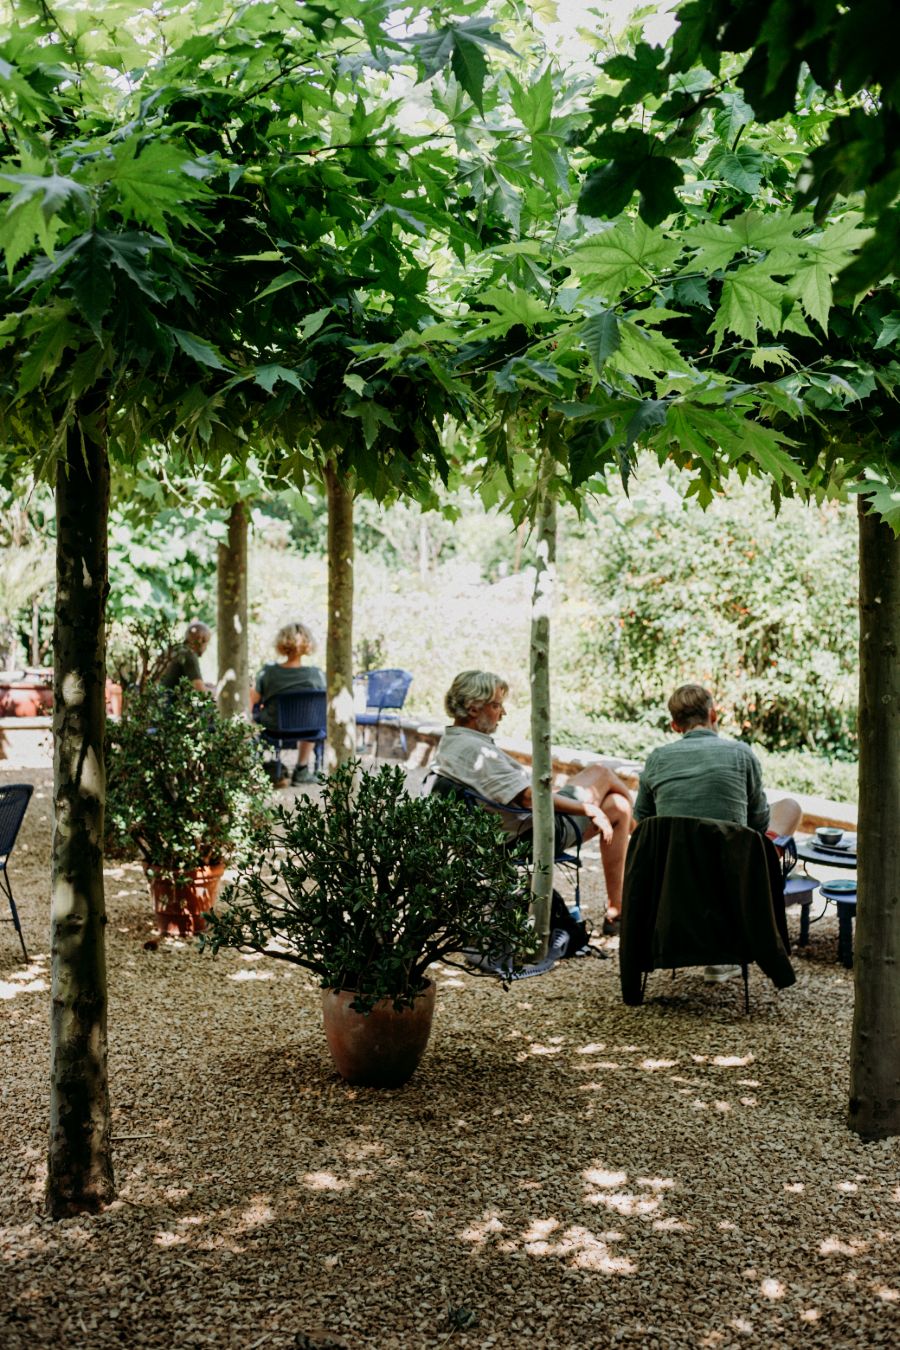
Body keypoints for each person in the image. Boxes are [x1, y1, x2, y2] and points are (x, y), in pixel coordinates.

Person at [432, 669, 634, 934]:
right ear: (473, 708)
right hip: (531, 836)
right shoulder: (475, 750)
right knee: (603, 773)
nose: (502, 713)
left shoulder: (453, 742)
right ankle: (640, 842)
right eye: (496, 705)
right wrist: (589, 808)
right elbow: (530, 798)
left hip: (507, 834)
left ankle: (617, 910)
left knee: (618, 805)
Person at [633, 683, 802, 981]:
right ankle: (727, 952)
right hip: (733, 883)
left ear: (674, 725)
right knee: (789, 806)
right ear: (713, 715)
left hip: (673, 884)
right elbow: (759, 823)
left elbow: (643, 823)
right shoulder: (741, 754)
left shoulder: (657, 759)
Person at [251, 621, 326, 786]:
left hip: (274, 729)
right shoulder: (317, 675)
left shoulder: (268, 672)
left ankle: (263, 768)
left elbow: (252, 700)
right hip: (309, 729)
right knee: (309, 718)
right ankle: (302, 769)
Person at [159, 621, 212, 695]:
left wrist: (206, 686)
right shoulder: (189, 654)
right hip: (166, 703)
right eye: (207, 642)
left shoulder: (173, 649)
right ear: (200, 640)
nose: (206, 647)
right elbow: (200, 691)